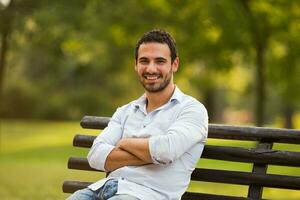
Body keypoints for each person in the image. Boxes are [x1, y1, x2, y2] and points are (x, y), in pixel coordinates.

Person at [67, 29, 208, 200]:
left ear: (175, 64)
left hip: (145, 195)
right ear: (136, 65)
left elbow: (166, 151)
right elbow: (95, 156)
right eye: (144, 61)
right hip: (100, 190)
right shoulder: (125, 111)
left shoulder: (192, 110)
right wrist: (150, 153)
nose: (151, 68)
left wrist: (124, 142)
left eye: (160, 61)